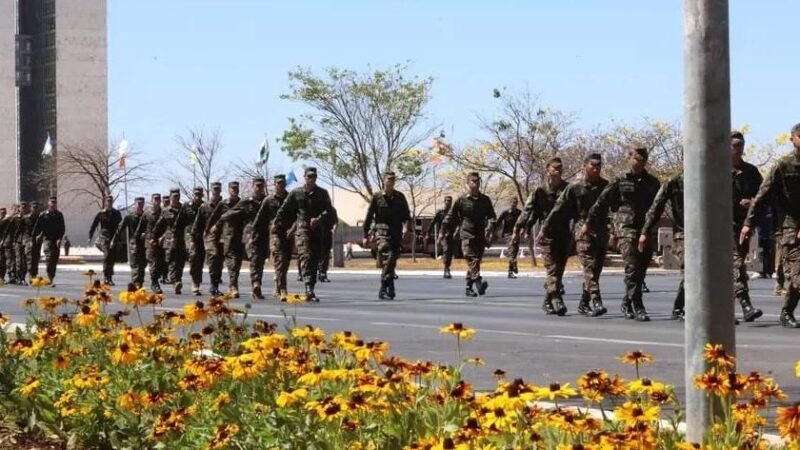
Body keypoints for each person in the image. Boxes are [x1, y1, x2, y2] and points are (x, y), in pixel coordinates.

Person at [584, 147, 660, 322]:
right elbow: (601, 202)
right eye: (636, 159)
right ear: (630, 158)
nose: (639, 163)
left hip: (645, 229)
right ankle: (638, 305)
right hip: (626, 229)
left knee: (641, 269)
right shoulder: (620, 181)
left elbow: (658, 206)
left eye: (643, 160)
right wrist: (589, 223)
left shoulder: (653, 183)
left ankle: (627, 301)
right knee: (632, 267)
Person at [741, 123, 800, 328]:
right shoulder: (782, 167)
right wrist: (749, 224)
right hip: (790, 228)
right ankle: (787, 311)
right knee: (798, 277)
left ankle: (787, 311)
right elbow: (762, 196)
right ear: (792, 139)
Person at [541, 153, 610, 317]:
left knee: (596, 270)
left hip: (601, 232)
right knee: (589, 268)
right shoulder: (574, 187)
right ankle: (596, 300)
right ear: (584, 166)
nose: (596, 168)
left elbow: (612, 209)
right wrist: (544, 228)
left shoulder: (606, 186)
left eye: (599, 165)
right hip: (582, 231)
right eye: (593, 165)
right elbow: (558, 208)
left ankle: (584, 302)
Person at [514, 157, 570, 315]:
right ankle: (557, 298)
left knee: (558, 271)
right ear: (548, 170)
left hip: (564, 235)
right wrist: (519, 228)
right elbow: (529, 210)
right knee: (552, 269)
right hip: (546, 236)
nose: (558, 171)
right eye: (554, 168)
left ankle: (547, 300)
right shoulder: (540, 190)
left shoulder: (568, 189)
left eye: (560, 168)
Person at [273, 167, 334, 302]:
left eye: (313, 177)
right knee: (306, 255)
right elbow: (284, 209)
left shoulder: (322, 193)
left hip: (317, 230)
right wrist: (277, 223)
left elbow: (329, 211)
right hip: (302, 229)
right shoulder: (296, 193)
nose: (311, 179)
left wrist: (319, 218)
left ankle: (311, 287)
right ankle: (308, 287)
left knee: (315, 258)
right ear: (304, 177)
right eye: (309, 177)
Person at [440, 171, 496, 297]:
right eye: (473, 181)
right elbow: (451, 215)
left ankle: (468, 288)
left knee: (475, 263)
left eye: (478, 181)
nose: (476, 184)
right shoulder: (462, 200)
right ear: (467, 183)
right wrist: (443, 229)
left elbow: (492, 217)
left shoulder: (485, 200)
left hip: (480, 235)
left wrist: (489, 230)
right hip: (466, 234)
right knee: (473, 259)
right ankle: (479, 284)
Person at [640, 172, 685, 320]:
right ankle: (679, 307)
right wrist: (645, 231)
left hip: (708, 234)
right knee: (692, 270)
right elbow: (656, 208)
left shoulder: (711, 180)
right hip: (683, 233)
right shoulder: (674, 183)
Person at [730, 131, 764, 322]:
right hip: (720, 226)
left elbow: (762, 199)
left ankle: (725, 311)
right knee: (736, 264)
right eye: (735, 145)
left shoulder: (751, 172)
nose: (738, 149)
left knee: (734, 269)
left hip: (742, 227)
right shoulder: (715, 170)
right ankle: (746, 305)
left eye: (741, 145)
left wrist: (751, 205)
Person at [362, 171, 410, 300]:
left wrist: (406, 228)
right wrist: (366, 234)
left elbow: (406, 216)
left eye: (393, 180)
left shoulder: (400, 197)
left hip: (396, 232)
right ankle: (385, 285)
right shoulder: (377, 197)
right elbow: (369, 216)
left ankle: (389, 285)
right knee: (388, 254)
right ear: (384, 181)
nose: (391, 182)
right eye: (389, 179)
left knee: (392, 259)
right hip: (382, 232)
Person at [218, 178, 268, 299]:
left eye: (261, 186)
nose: (259, 188)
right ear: (252, 187)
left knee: (259, 261)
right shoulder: (246, 202)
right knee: (240, 262)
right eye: (257, 186)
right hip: (248, 236)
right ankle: (236, 286)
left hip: (263, 235)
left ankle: (256, 287)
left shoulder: (267, 200)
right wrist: (224, 221)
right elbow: (229, 213)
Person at [154, 189, 192, 295]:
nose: (176, 198)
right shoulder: (166, 211)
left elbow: (190, 222)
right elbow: (159, 225)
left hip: (180, 239)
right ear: (170, 197)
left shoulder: (184, 209)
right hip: (169, 240)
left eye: (177, 196)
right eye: (174, 196)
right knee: (171, 262)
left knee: (180, 262)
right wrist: (155, 237)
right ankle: (175, 281)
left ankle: (177, 281)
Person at [262, 175, 290, 300]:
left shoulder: (290, 198)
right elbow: (260, 217)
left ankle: (277, 286)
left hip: (288, 234)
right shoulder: (269, 200)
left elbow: (297, 214)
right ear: (275, 184)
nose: (281, 185)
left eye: (283, 183)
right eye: (278, 183)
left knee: (285, 262)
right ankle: (283, 289)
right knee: (280, 259)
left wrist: (294, 229)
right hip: (275, 234)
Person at [194, 182, 225, 296]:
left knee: (220, 261)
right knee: (213, 256)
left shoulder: (224, 205)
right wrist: (193, 239)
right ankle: (212, 285)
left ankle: (215, 286)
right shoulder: (204, 207)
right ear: (211, 191)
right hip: (209, 236)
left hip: (222, 236)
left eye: (218, 189)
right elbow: (197, 224)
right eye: (214, 189)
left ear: (220, 190)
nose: (216, 191)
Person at [111, 197, 148, 287]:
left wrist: (146, 233)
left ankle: (140, 282)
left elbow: (151, 228)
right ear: (134, 204)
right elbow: (120, 229)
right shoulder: (129, 217)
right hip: (134, 244)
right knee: (135, 264)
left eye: (141, 204)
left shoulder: (146, 216)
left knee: (142, 265)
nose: (140, 206)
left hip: (144, 244)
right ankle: (136, 283)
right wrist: (113, 240)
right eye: (138, 204)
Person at [88, 195, 122, 285]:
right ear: (105, 202)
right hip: (104, 238)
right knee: (107, 256)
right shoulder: (101, 213)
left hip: (114, 238)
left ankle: (109, 277)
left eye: (111, 201)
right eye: (108, 201)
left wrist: (120, 239)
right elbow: (94, 225)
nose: (109, 203)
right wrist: (90, 237)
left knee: (111, 258)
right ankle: (107, 278)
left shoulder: (117, 213)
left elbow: (121, 226)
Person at [33, 196, 65, 286]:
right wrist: (37, 236)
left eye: (55, 202)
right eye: (52, 202)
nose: (53, 204)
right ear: (48, 203)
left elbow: (62, 228)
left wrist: (60, 238)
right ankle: (49, 277)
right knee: (49, 257)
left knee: (54, 259)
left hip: (56, 240)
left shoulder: (59, 215)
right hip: (47, 239)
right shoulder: (43, 215)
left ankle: (51, 277)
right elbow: (37, 227)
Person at [426, 196, 455, 279]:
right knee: (446, 250)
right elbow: (432, 222)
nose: (448, 202)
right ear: (444, 201)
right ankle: (446, 269)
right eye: (447, 201)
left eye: (450, 201)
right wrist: (428, 233)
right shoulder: (440, 212)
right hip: (442, 234)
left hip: (452, 234)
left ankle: (447, 267)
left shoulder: (454, 212)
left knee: (450, 252)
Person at [184, 187, 206, 296]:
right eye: (196, 194)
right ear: (193, 194)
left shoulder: (205, 206)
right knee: (193, 257)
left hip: (201, 236)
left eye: (200, 194)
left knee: (200, 260)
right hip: (189, 235)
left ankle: (197, 281)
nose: (197, 196)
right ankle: (195, 283)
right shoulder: (186, 206)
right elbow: (179, 221)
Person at [495, 197, 522, 278]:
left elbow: (523, 222)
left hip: (517, 234)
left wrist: (523, 231)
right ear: (510, 203)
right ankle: (514, 263)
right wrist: (494, 233)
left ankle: (510, 272)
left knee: (515, 251)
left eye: (515, 203)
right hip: (508, 234)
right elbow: (498, 222)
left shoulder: (519, 213)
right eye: (512, 203)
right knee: (511, 250)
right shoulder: (505, 213)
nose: (514, 204)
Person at [145, 193, 166, 294]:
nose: (157, 201)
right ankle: (154, 283)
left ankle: (158, 279)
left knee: (161, 263)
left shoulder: (164, 213)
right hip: (151, 242)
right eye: (155, 199)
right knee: (153, 262)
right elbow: (141, 226)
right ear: (151, 200)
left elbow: (168, 226)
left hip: (162, 242)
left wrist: (164, 236)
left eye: (158, 199)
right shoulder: (147, 213)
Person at [23, 201, 42, 282]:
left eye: (36, 207)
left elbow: (43, 229)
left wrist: (40, 235)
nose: (35, 209)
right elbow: (22, 230)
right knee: (29, 257)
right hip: (28, 239)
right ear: (31, 208)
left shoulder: (41, 218)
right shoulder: (26, 218)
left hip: (37, 240)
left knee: (36, 257)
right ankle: (30, 275)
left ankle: (34, 274)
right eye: (33, 207)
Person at [318, 206, 338, 283]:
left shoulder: (331, 209)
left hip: (327, 233)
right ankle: (317, 271)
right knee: (317, 253)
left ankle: (323, 273)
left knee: (326, 254)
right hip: (317, 233)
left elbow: (335, 221)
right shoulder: (317, 207)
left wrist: (334, 229)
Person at [2, 204, 19, 284]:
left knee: (15, 260)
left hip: (16, 242)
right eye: (15, 209)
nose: (17, 211)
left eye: (18, 209)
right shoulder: (8, 219)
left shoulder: (19, 218)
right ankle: (8, 276)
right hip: (8, 242)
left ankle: (14, 277)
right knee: (7, 260)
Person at [14, 202, 30, 285]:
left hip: (26, 241)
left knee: (25, 260)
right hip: (17, 241)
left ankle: (23, 277)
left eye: (24, 207)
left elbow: (31, 229)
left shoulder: (28, 218)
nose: (23, 209)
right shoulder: (14, 218)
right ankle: (19, 277)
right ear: (19, 208)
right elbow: (9, 230)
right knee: (18, 260)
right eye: (21, 207)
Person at [0, 208, 7, 282]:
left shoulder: (8, 221)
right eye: (2, 213)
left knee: (3, 260)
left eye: (4, 213)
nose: (3, 214)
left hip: (5, 242)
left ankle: (2, 276)